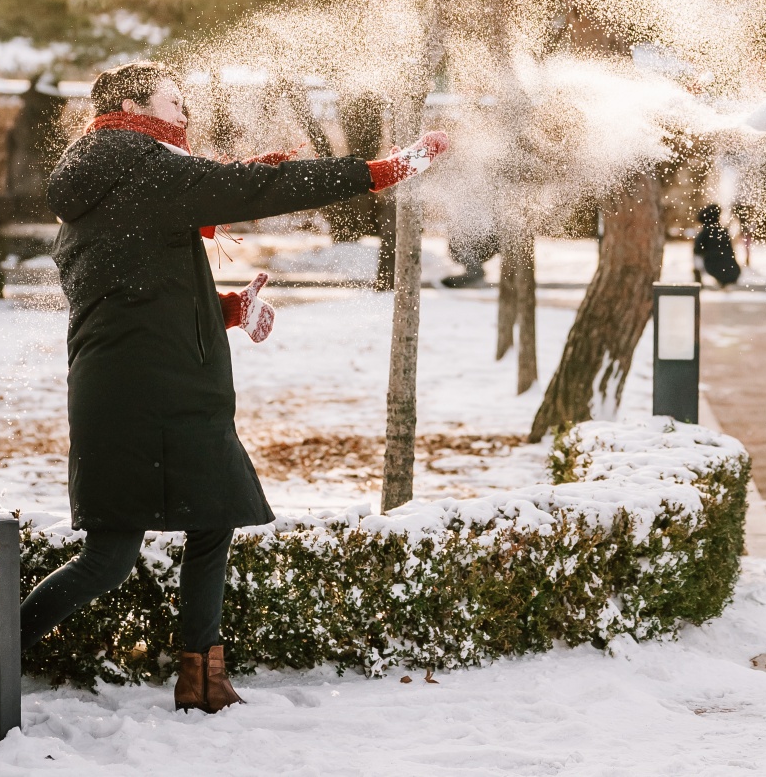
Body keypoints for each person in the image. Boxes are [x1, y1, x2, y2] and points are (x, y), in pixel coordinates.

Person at [24, 61, 449, 712]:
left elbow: (135, 290)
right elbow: (260, 189)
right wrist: (377, 170)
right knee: (120, 551)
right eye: (174, 101)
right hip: (157, 390)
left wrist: (225, 308)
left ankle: (201, 675)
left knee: (190, 522)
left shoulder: (102, 174)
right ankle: (3, 642)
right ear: (135, 105)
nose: (186, 113)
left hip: (124, 386)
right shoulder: (143, 162)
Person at [692, 203, 742, 287]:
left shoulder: (705, 232)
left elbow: (697, 250)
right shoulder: (723, 231)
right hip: (733, 271)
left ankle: (698, 280)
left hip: (713, 267)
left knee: (696, 255)